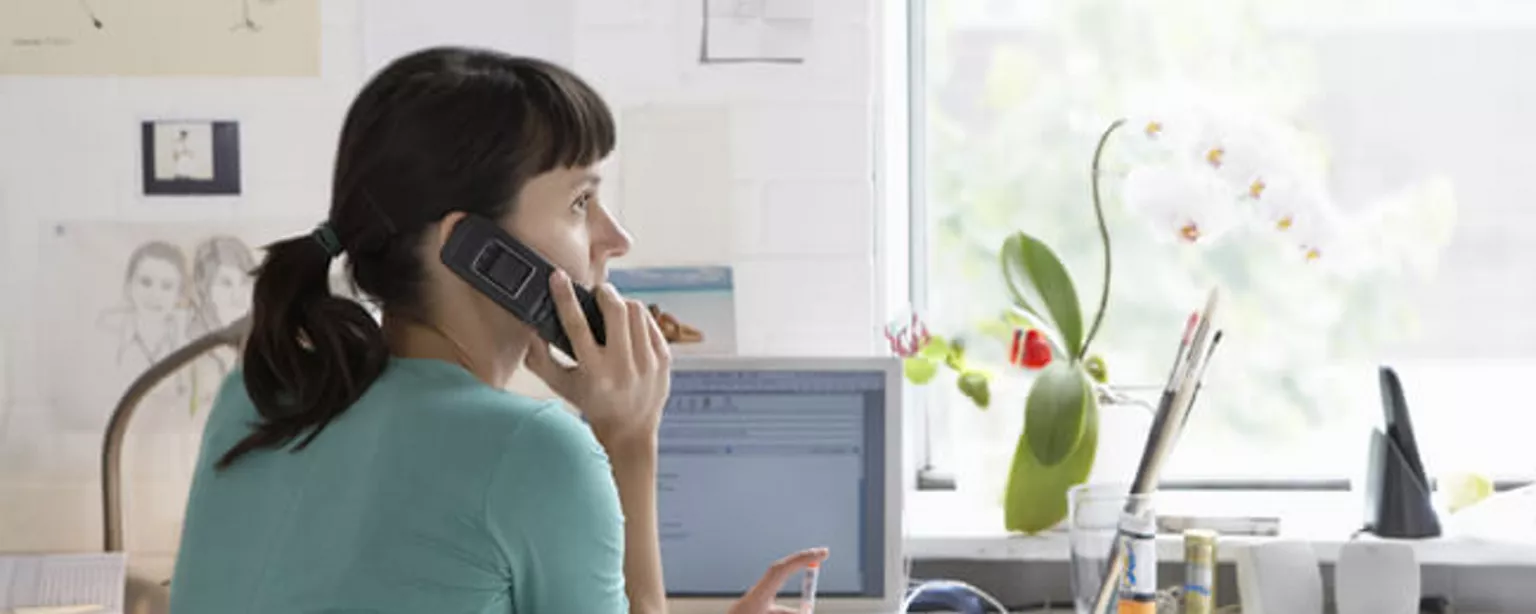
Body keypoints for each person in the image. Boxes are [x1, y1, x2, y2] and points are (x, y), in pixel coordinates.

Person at [168, 47, 826, 613]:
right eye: (579, 203)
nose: (615, 239)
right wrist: (629, 440)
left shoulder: (257, 397)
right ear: (476, 251)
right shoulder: (535, 451)